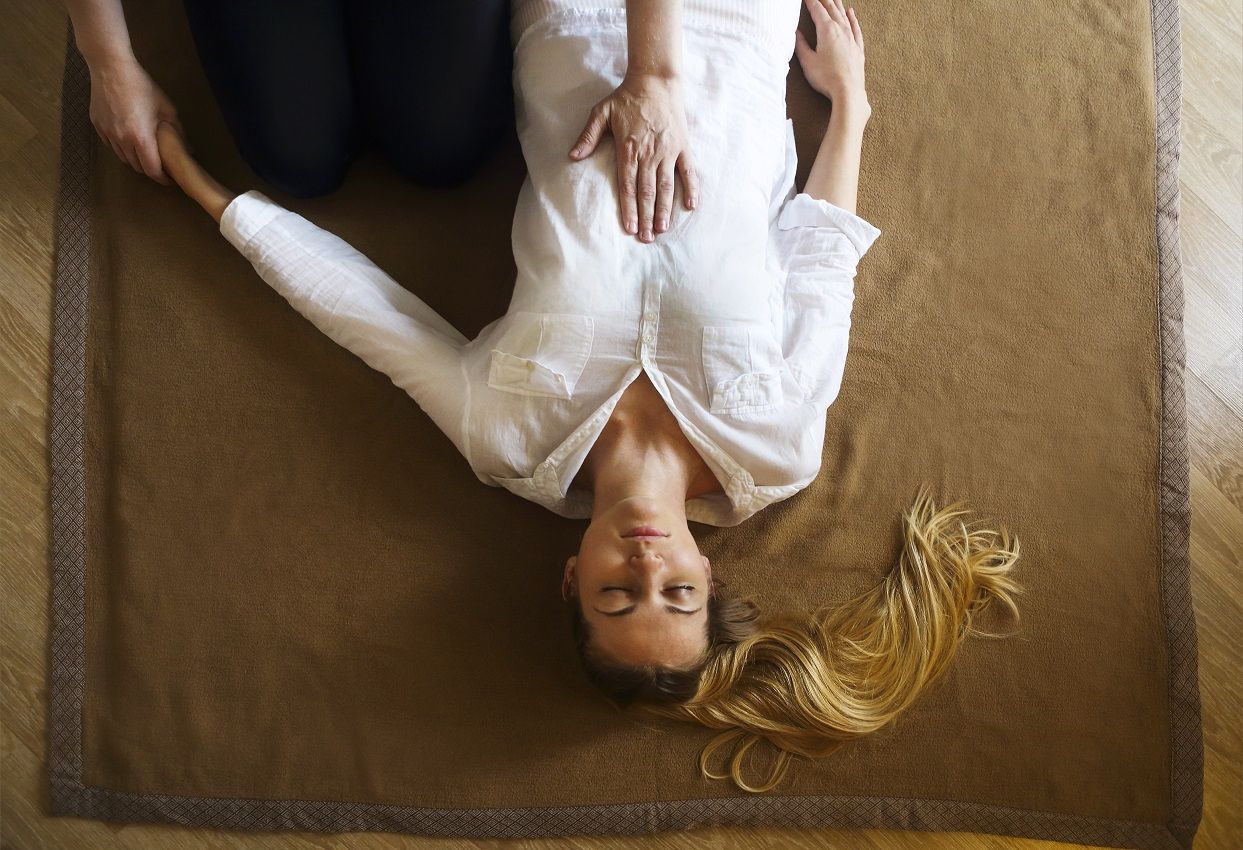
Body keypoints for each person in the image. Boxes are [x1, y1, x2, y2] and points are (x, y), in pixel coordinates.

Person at [151, 0, 1022, 792]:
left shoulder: (507, 441)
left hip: (561, 22)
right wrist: (849, 101)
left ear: (572, 581)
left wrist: (201, 189)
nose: (646, 567)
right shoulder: (777, 448)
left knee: (306, 151)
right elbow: (821, 264)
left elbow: (369, 316)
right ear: (706, 574)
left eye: (617, 596)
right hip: (739, 32)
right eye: (676, 595)